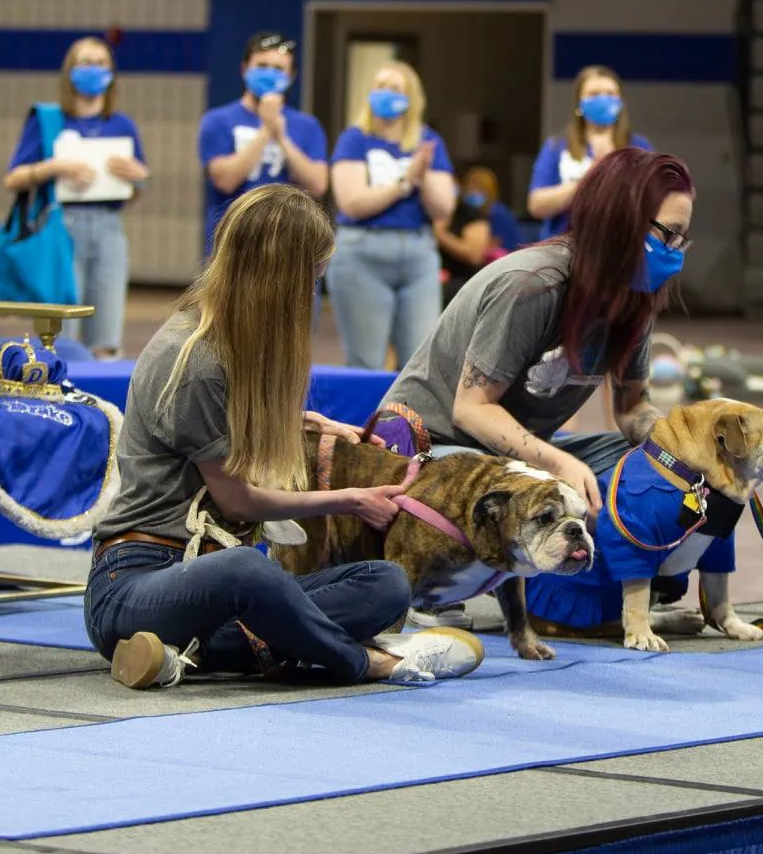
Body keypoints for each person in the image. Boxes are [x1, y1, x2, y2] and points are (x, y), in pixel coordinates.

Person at [85, 184, 484, 690]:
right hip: (133, 583)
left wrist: (315, 423)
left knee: (387, 583)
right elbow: (239, 501)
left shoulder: (229, 346)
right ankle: (368, 661)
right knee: (247, 574)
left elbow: (229, 421)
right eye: (313, 279)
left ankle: (190, 653)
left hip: (209, 589)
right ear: (281, 279)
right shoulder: (194, 359)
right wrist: (349, 500)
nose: (314, 293)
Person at [384, 148, 738, 625]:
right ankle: (433, 591)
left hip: (518, 456)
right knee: (558, 484)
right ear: (619, 220)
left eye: (682, 238)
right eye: (665, 234)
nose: (674, 250)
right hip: (432, 452)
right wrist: (557, 461)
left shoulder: (636, 300)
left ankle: (630, 595)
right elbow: (471, 409)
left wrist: (680, 451)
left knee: (658, 475)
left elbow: (632, 406)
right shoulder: (533, 286)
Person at [2, 37, 149, 358]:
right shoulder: (48, 120)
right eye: (86, 62)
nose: (93, 69)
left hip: (109, 227)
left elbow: (133, 191)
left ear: (111, 73)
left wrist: (138, 177)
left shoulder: (121, 124)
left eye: (101, 63)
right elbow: (13, 178)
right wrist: (54, 167)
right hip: (61, 227)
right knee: (60, 331)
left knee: (107, 330)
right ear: (70, 71)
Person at [326, 61, 456, 370]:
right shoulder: (354, 139)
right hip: (363, 255)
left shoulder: (428, 143)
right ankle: (365, 420)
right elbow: (352, 202)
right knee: (366, 361)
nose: (386, 93)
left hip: (418, 256)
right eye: (380, 86)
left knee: (420, 364)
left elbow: (444, 208)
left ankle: (405, 420)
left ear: (412, 98)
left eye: (395, 88)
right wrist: (404, 182)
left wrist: (422, 177)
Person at [197, 32, 329, 256]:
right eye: (262, 65)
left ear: (291, 75)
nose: (270, 73)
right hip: (233, 241)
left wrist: (282, 137)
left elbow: (318, 184)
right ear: (245, 68)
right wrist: (266, 129)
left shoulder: (308, 126)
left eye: (278, 69)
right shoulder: (217, 120)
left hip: (291, 241)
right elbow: (226, 180)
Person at [527, 66, 652, 242]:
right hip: (565, 247)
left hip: (621, 246)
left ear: (621, 101)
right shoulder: (557, 146)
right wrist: (589, 178)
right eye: (594, 94)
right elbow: (536, 204)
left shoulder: (639, 147)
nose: (603, 99)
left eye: (610, 94)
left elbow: (652, 201)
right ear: (579, 102)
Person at [435, 165, 508, 306]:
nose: (475, 190)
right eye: (472, 184)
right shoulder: (424, 214)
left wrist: (440, 235)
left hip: (461, 283)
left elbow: (474, 255)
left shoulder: (472, 214)